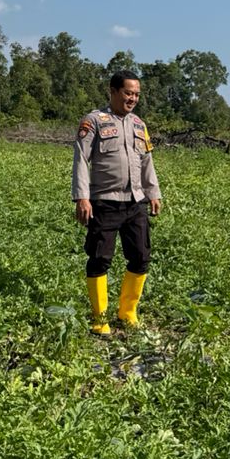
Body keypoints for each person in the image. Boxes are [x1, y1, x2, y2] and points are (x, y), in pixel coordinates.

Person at [72, 71, 162, 335]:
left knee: (141, 257)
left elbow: (147, 162)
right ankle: (100, 319)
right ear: (112, 91)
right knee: (100, 258)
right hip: (105, 202)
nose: (132, 98)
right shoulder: (94, 121)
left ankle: (127, 312)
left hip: (136, 202)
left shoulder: (138, 124)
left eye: (136, 94)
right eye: (127, 93)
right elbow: (81, 160)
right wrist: (82, 197)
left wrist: (154, 193)